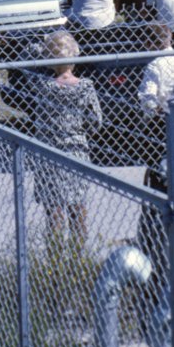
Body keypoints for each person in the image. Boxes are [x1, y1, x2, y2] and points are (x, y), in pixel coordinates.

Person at [31, 31, 102, 246]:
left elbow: (37, 116)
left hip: (49, 151)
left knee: (54, 207)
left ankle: (55, 256)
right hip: (76, 148)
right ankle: (77, 254)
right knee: (77, 204)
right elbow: (96, 120)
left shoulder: (43, 87)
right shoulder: (85, 87)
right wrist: (81, 128)